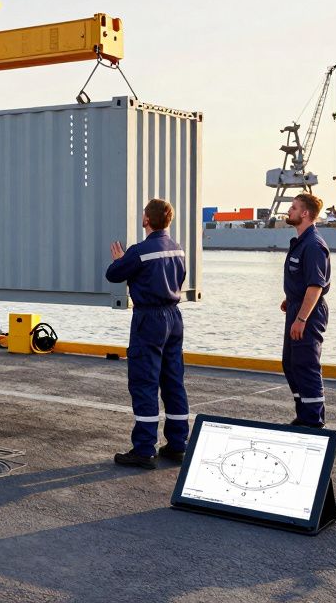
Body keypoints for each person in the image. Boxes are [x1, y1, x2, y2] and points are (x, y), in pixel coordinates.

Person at [105, 198, 189, 469]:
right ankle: (178, 445)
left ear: (146, 220)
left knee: (144, 382)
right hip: (174, 317)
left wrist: (120, 260)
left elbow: (113, 275)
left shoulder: (140, 251)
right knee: (173, 380)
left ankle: (144, 450)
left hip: (149, 319)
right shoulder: (177, 249)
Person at [280, 192, 332, 427]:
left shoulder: (313, 245)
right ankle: (303, 413)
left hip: (308, 314)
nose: (289, 211)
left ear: (305, 213)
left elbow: (315, 286)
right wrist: (289, 299)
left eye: (293, 207)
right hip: (296, 307)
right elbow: (302, 281)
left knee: (306, 364)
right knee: (290, 363)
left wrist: (301, 318)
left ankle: (314, 420)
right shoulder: (301, 242)